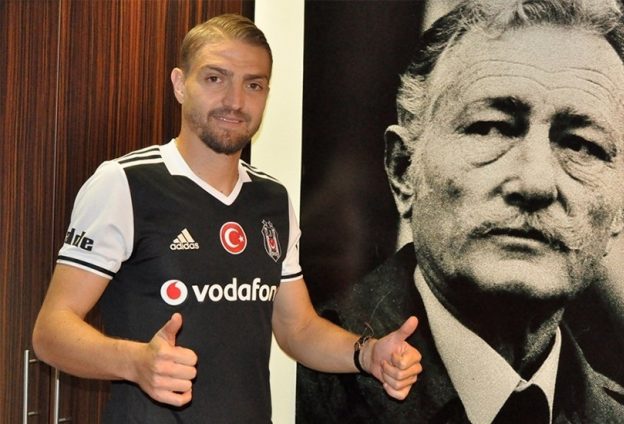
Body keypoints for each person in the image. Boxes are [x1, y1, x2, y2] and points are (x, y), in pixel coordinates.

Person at [32, 14, 422, 424]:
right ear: (180, 84)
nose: (235, 101)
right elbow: (51, 332)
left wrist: (367, 354)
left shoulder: (272, 199)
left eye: (253, 84)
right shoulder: (125, 183)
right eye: (215, 78)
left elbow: (298, 329)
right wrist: (135, 362)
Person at [297, 0, 624, 422]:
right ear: (402, 170)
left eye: (580, 145)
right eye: (492, 127)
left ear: (622, 209)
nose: (534, 184)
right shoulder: (290, 385)